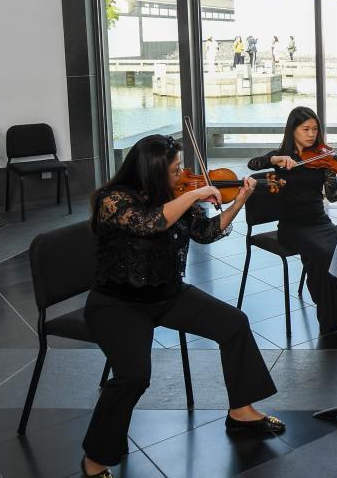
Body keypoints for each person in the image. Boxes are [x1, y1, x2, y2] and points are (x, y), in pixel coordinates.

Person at [80, 135, 282, 478]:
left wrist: (239, 201)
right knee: (133, 377)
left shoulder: (175, 195)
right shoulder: (112, 200)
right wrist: (192, 195)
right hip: (118, 304)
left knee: (233, 323)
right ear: (152, 169)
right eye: (175, 169)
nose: (182, 175)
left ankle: (241, 411)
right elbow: (150, 223)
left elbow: (206, 232)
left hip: (168, 295)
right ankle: (95, 459)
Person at [247, 106, 337, 344]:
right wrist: (274, 159)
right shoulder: (281, 158)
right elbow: (253, 164)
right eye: (305, 129)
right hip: (292, 226)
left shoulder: (324, 158)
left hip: (319, 222)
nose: (311, 134)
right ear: (293, 130)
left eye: (315, 129)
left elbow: (332, 195)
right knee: (324, 254)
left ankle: (332, 314)